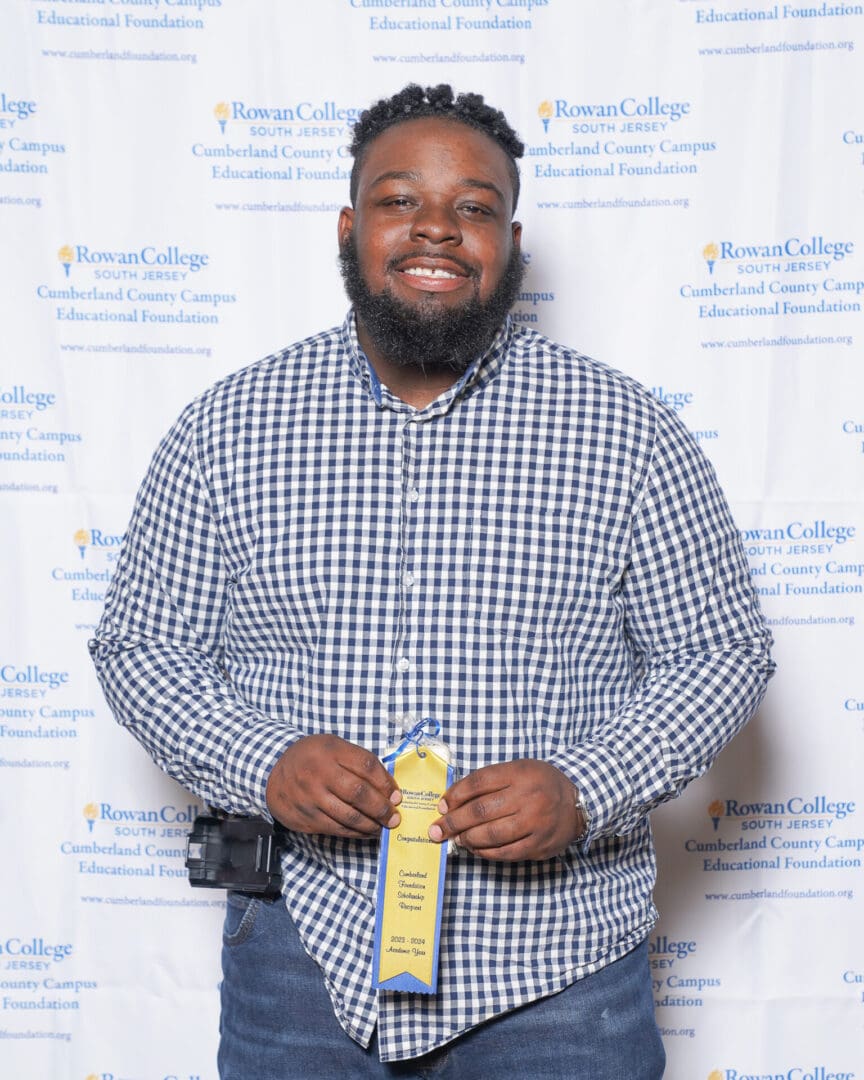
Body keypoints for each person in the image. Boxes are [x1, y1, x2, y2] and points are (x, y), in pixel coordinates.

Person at [90, 83, 774, 1079]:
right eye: (400, 199)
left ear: (513, 241)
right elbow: (141, 646)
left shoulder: (628, 433)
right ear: (349, 225)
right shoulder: (227, 429)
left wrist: (591, 786)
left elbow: (721, 653)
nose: (436, 231)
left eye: (474, 207)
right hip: (302, 957)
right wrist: (263, 759)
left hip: (558, 971)